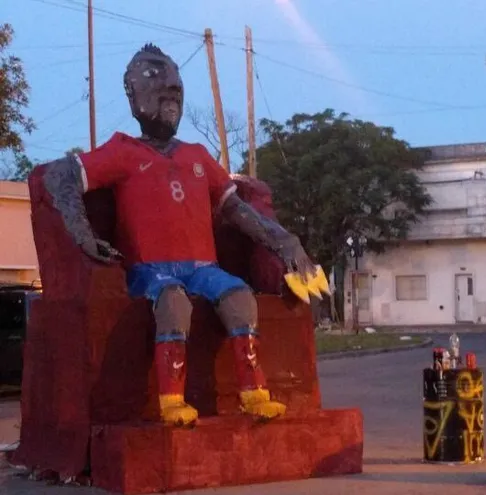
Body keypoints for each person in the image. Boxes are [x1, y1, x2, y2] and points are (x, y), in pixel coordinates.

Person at [40, 43, 316, 426]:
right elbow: (59, 175)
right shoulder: (122, 151)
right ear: (132, 93)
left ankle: (254, 393)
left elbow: (237, 209)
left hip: (203, 267)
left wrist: (284, 241)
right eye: (154, 75)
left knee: (239, 297)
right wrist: (83, 234)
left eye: (174, 81)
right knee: (173, 302)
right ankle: (172, 400)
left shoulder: (197, 156)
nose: (170, 85)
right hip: (152, 271)